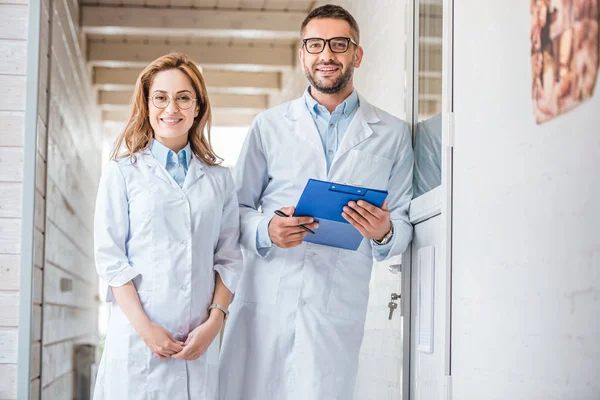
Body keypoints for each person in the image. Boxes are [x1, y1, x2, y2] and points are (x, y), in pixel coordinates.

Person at [219, 5, 413, 399]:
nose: (327, 55)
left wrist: (383, 232)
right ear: (302, 54)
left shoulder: (391, 134)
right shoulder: (269, 127)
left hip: (334, 305)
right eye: (315, 45)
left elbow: (405, 223)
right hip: (266, 298)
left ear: (356, 55)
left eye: (339, 44)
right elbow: (234, 213)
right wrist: (268, 229)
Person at [93, 52, 242, 399]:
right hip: (136, 342)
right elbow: (111, 260)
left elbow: (230, 258)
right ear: (147, 105)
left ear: (197, 107)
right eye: (160, 97)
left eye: (183, 97)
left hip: (198, 344)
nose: (171, 108)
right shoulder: (122, 172)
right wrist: (146, 330)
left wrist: (215, 323)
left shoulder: (220, 179)